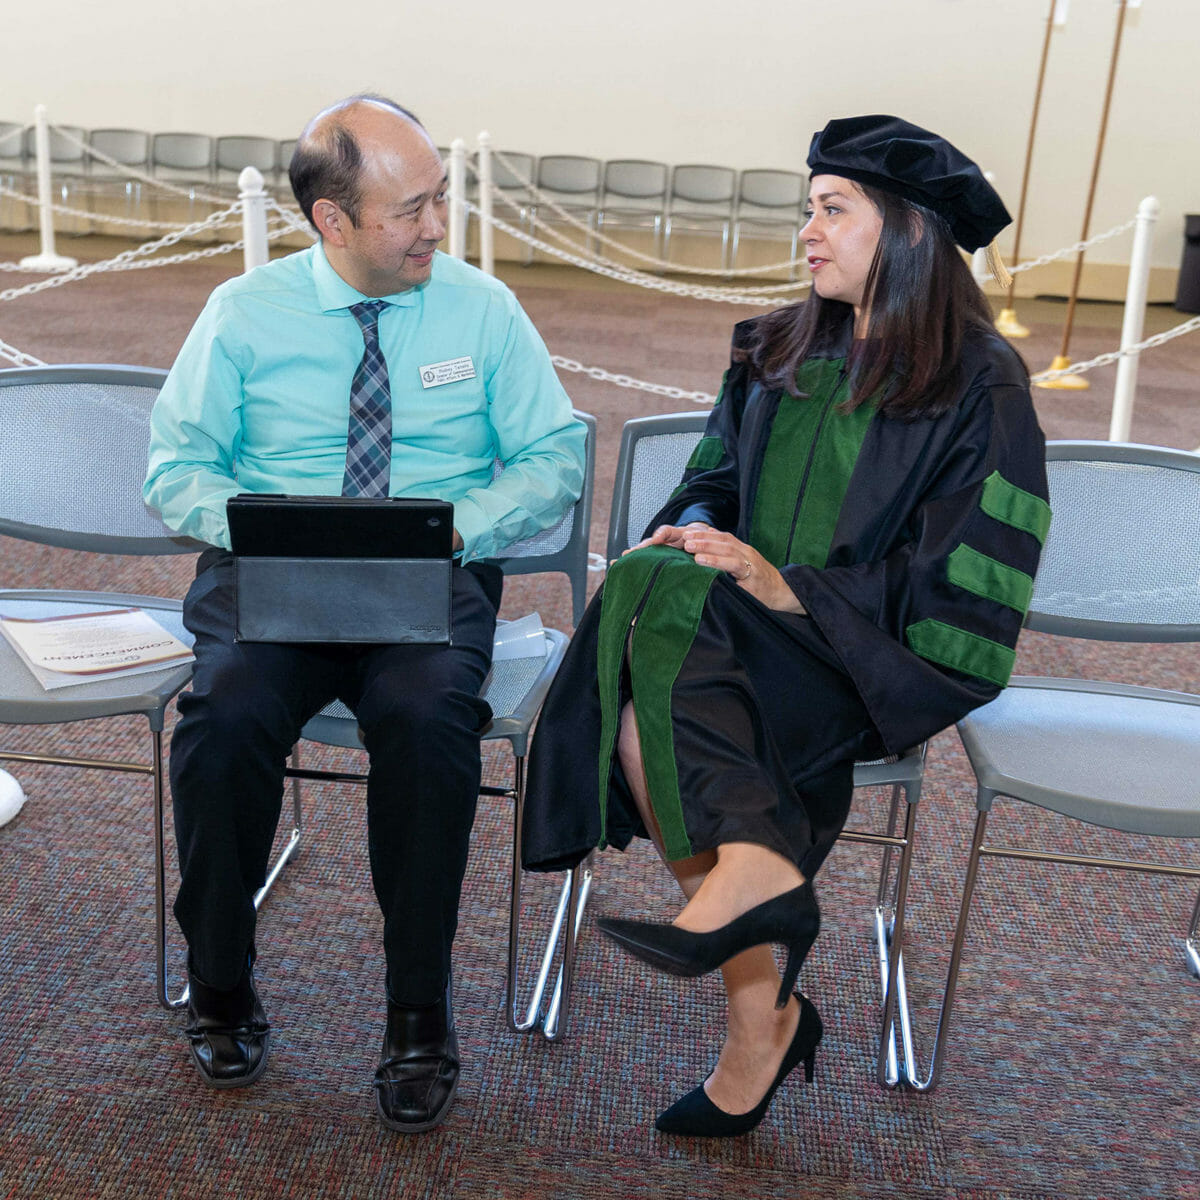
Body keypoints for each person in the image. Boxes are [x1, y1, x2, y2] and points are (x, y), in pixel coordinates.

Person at [522, 115, 1050, 1137]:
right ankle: (761, 981)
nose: (807, 231)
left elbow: (972, 586)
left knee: (650, 660)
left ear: (907, 233)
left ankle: (757, 944)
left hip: (872, 663)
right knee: (654, 578)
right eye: (808, 209)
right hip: (731, 637)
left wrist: (792, 589)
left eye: (832, 210)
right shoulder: (774, 350)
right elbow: (710, 480)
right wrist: (701, 532)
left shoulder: (980, 385)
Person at [143, 94, 586, 1133]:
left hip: (431, 576)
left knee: (432, 725)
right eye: (411, 209)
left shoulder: (482, 310)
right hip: (272, 574)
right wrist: (260, 525)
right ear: (331, 222)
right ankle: (219, 979)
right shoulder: (245, 312)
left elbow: (553, 455)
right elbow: (175, 468)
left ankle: (417, 1011)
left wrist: (450, 527)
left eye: (439, 199)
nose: (437, 225)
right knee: (225, 717)